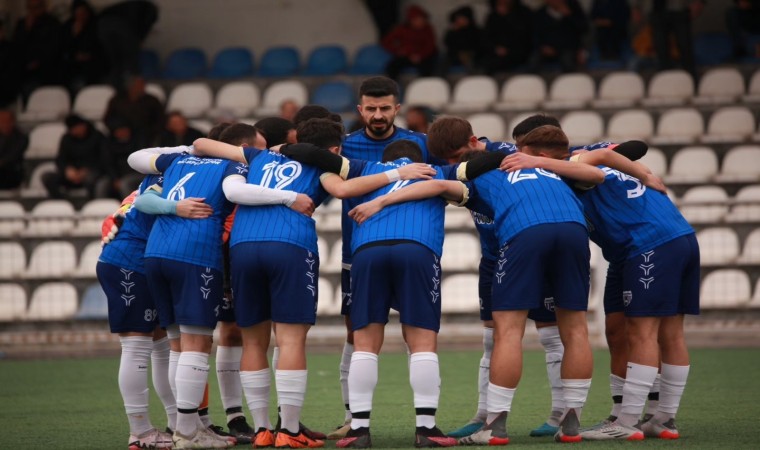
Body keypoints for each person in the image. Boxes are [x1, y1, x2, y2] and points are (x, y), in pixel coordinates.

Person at [349, 126, 606, 445]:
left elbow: (438, 185)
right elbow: (597, 175)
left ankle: (494, 426)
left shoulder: (476, 177)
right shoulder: (546, 166)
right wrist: (542, 161)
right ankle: (572, 422)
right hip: (574, 231)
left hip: (524, 232)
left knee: (508, 331)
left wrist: (381, 201)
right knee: (577, 329)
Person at [192, 118, 435, 449]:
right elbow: (344, 191)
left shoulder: (258, 156)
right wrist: (397, 174)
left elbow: (201, 144)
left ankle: (262, 429)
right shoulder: (321, 165)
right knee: (290, 340)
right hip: (290, 246)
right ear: (334, 149)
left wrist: (273, 150)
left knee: (253, 342)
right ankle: (289, 431)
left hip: (243, 248)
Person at [511, 134, 697, 441]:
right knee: (632, 331)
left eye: (522, 150)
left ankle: (629, 421)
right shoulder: (572, 166)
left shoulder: (572, 163)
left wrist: (645, 175)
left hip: (649, 243)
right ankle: (657, 418)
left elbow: (604, 158)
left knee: (644, 333)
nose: (518, 156)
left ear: (538, 153)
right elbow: (613, 154)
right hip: (657, 243)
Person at [329, 76, 438, 441]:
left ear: (397, 108)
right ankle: (353, 417)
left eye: (385, 108)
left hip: (376, 248)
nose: (378, 115)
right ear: (360, 109)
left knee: (408, 335)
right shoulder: (345, 146)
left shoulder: (423, 144)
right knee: (357, 333)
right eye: (371, 109)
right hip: (356, 251)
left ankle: (366, 423)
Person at [98, 176, 213, 450]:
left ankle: (176, 424)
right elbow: (141, 199)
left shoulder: (174, 172)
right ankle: (140, 432)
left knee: (163, 347)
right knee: (136, 347)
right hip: (130, 263)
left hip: (147, 262)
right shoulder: (180, 171)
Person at [96, 0, 158, 87]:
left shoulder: (128, 7)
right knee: (131, 61)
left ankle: (116, 86)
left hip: (102, 25)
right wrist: (140, 38)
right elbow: (144, 24)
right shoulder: (150, 10)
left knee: (115, 61)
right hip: (121, 26)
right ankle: (133, 87)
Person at [42, 114, 104, 199]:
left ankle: (91, 203)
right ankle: (62, 202)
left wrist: (87, 170)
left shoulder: (97, 137)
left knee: (92, 179)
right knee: (48, 177)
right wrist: (67, 169)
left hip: (91, 173)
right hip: (72, 174)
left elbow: (104, 159)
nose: (76, 131)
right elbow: (60, 159)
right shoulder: (67, 138)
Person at [636, 0, 703, 76]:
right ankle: (665, 80)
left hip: (680, 8)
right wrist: (635, 6)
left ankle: (690, 79)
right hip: (656, 9)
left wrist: (699, 1)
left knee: (685, 48)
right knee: (661, 51)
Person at [11, 0, 61, 99]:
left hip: (47, 70)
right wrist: (27, 29)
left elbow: (54, 47)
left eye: (36, 7)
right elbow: (16, 47)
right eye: (30, 8)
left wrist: (39, 61)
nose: (33, 11)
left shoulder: (52, 23)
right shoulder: (22, 24)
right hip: (24, 70)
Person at [104, 76, 165, 148]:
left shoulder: (152, 100)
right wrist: (117, 128)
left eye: (142, 85)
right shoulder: (117, 100)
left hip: (145, 134)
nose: (141, 88)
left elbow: (160, 119)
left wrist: (151, 131)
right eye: (137, 85)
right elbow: (108, 118)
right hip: (120, 131)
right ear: (130, 87)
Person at [529, 0, 589, 73]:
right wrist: (542, 47)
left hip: (568, 48)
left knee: (568, 62)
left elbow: (584, 29)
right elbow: (536, 35)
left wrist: (569, 15)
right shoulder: (540, 13)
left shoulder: (574, 9)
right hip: (547, 48)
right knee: (534, 61)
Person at [382, 5, 438, 79]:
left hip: (424, 57)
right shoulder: (402, 29)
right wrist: (398, 51)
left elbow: (430, 45)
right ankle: (393, 85)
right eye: (416, 20)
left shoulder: (428, 29)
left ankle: (424, 85)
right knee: (392, 67)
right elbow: (386, 41)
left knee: (429, 67)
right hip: (407, 55)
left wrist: (420, 55)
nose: (419, 22)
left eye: (421, 19)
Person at [60, 0, 104, 93]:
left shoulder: (95, 25)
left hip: (92, 65)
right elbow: (63, 49)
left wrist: (88, 55)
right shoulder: (68, 27)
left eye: (83, 13)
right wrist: (74, 35)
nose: (81, 17)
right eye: (78, 14)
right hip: (72, 66)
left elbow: (100, 48)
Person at [482, 0, 534, 74]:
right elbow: (486, 39)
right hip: (495, 54)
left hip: (519, 53)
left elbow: (525, 37)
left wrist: (508, 17)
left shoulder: (523, 14)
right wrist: (496, 48)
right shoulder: (492, 17)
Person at [98, 120, 143, 199]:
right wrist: (115, 178)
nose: (122, 132)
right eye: (119, 131)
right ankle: (99, 206)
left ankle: (128, 205)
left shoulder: (139, 141)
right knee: (102, 184)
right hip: (117, 174)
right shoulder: (109, 143)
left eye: (124, 130)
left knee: (124, 183)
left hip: (136, 173)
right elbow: (108, 163)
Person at [443, 5, 483, 72]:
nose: (459, 21)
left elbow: (478, 45)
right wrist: (454, 32)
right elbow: (448, 44)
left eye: (462, 18)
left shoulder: (475, 30)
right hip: (456, 55)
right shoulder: (453, 31)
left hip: (473, 55)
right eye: (458, 19)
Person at [0, 110, 28, 190]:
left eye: (5, 121)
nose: (2, 124)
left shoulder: (21, 138)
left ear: (12, 122)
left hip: (12, 171)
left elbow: (12, 156)